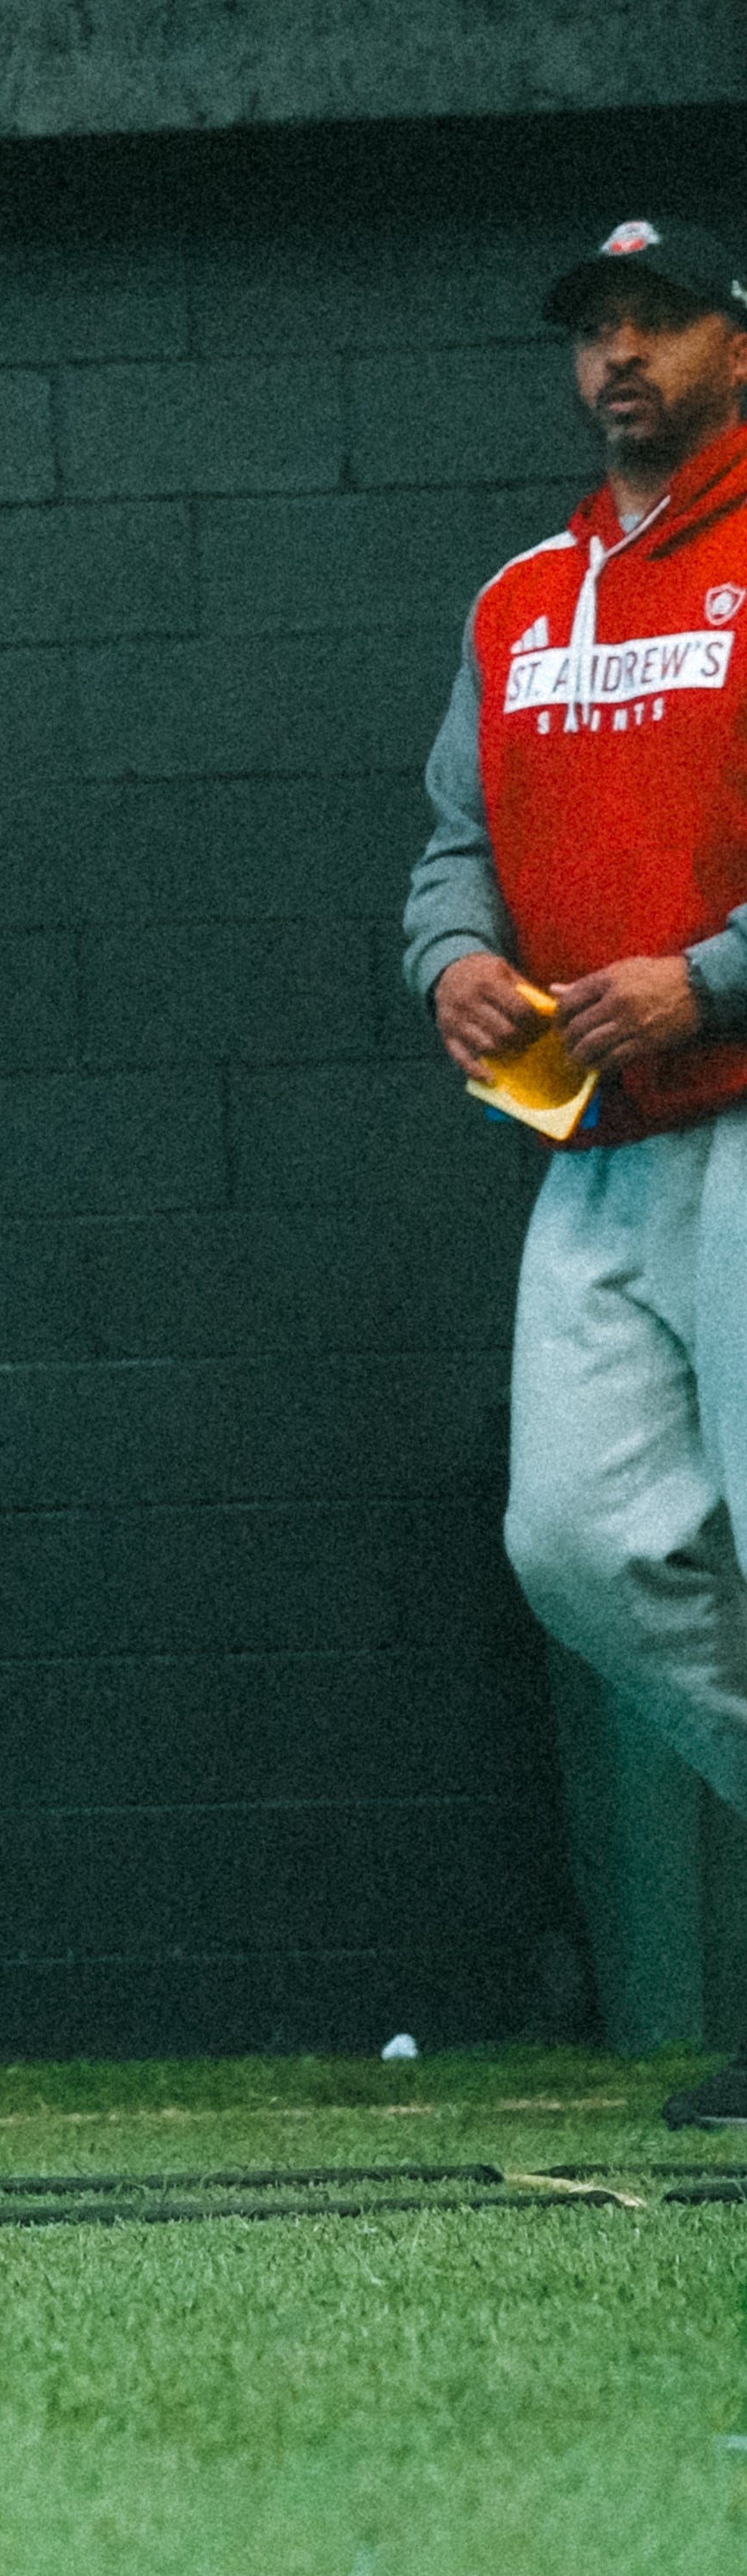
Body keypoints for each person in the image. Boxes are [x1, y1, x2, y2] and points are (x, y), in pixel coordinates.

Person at [404, 211, 747, 2129]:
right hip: (597, 1142)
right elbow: (454, 844)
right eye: (598, 328)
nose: (623, 353)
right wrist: (452, 958)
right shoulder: (522, 599)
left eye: (662, 320)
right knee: (577, 1540)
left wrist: (711, 974)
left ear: (737, 348)